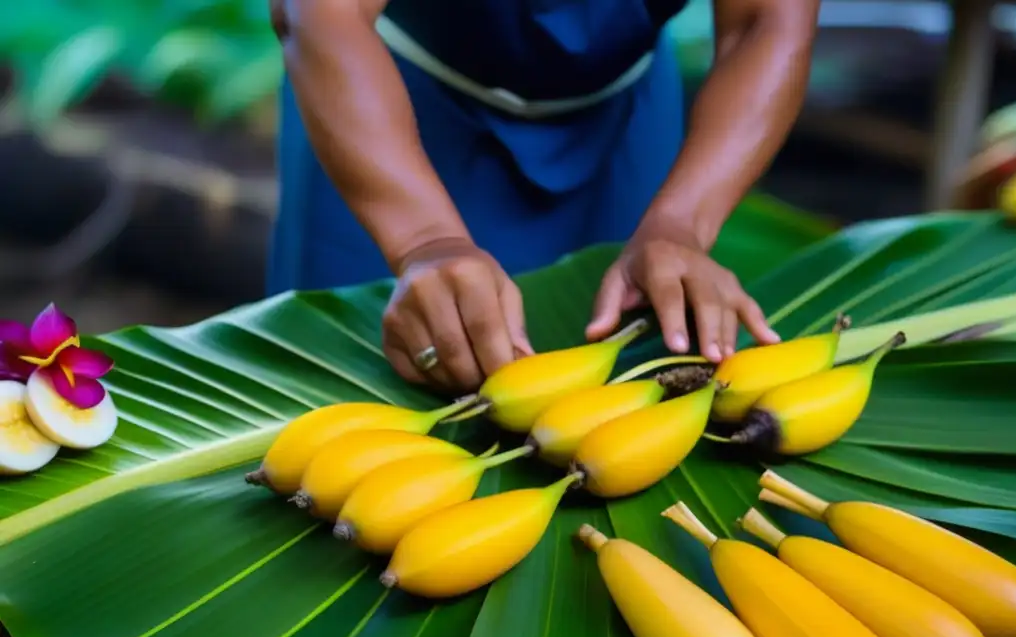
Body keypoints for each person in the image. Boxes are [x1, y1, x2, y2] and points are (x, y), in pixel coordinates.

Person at [267, 0, 820, 393]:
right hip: (389, 112)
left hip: (623, 121)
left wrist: (680, 224)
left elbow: (765, 18)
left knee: (618, 406)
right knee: (354, 414)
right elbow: (322, 12)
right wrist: (422, 239)